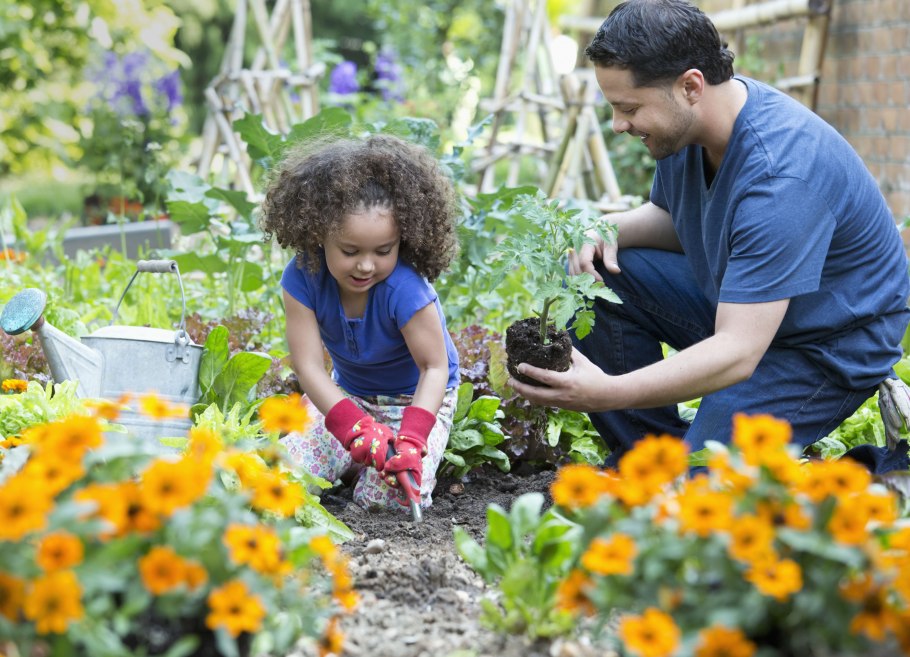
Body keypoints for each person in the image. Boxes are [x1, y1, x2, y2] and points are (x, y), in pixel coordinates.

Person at [509, 0, 910, 473]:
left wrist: (606, 393)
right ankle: (652, 461)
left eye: (629, 107)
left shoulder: (781, 176)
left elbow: (737, 352)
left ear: (691, 86)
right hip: (744, 307)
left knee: (703, 492)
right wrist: (605, 228)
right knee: (595, 271)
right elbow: (679, 220)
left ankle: (878, 476)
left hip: (822, 347)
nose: (619, 125)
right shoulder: (687, 130)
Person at [259, 134, 461, 510]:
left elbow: (434, 368)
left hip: (413, 401)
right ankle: (353, 457)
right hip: (348, 394)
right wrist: (354, 427)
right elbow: (308, 367)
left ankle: (362, 467)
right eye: (350, 251)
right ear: (320, 236)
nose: (366, 265)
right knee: (283, 477)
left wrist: (412, 441)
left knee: (386, 502)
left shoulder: (405, 289)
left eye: (383, 251)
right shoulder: (303, 277)